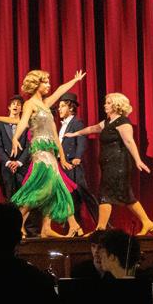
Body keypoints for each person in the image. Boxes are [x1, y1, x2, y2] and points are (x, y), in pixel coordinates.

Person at [64, 93, 153, 235]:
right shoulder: (107, 122)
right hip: (108, 165)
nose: (105, 105)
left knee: (106, 195)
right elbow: (92, 129)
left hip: (118, 164)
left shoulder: (123, 122)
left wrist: (138, 160)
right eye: (106, 102)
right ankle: (147, 222)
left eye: (108, 103)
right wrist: (75, 134)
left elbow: (129, 142)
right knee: (125, 195)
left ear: (117, 105)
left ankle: (101, 229)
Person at [9, 69, 86, 238]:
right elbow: (23, 122)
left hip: (50, 151)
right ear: (36, 84)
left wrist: (75, 81)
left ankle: (51, 228)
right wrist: (15, 137)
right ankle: (15, 225)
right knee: (42, 189)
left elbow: (60, 91)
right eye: (45, 82)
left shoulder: (45, 103)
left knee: (57, 188)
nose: (49, 85)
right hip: (40, 151)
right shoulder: (30, 104)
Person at [57, 92, 100, 230]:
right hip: (63, 164)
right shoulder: (62, 125)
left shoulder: (77, 122)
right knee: (70, 195)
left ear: (71, 108)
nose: (59, 109)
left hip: (73, 163)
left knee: (84, 193)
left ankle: (102, 224)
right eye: (59, 106)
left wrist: (78, 157)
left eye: (62, 106)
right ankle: (75, 227)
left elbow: (81, 140)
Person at [0, 94, 30, 200]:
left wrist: (19, 162)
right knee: (9, 196)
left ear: (22, 109)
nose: (15, 106)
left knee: (24, 198)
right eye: (13, 104)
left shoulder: (26, 125)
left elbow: (29, 146)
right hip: (6, 167)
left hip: (23, 167)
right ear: (9, 107)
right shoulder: (0, 124)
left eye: (18, 104)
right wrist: (8, 162)